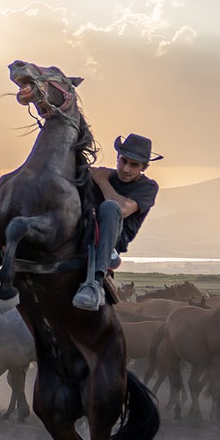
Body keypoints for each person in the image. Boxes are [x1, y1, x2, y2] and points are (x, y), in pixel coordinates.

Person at [73, 133, 163, 311]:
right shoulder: (105, 174)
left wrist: (101, 180)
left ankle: (96, 282)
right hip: (86, 229)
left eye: (134, 165)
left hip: (114, 239)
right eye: (124, 161)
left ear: (144, 167)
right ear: (118, 158)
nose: (126, 169)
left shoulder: (148, 187)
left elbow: (122, 209)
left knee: (110, 208)